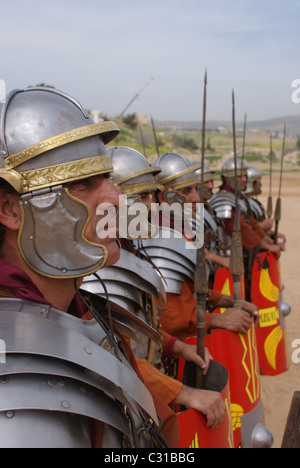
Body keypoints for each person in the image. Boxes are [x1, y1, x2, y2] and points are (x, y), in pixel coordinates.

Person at [0, 87, 178, 448]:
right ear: (11, 210)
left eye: (107, 178)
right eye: (83, 183)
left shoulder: (85, 313)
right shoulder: (10, 372)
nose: (115, 197)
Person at [82, 146, 226, 430]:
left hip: (151, 385)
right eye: (144, 196)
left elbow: (136, 327)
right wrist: (183, 392)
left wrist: (177, 346)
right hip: (127, 403)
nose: (152, 206)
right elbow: (111, 356)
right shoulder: (99, 270)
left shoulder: (130, 251)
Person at [139, 152, 256, 344]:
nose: (196, 198)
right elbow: (171, 318)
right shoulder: (161, 243)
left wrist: (228, 301)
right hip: (177, 352)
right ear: (162, 197)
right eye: (186, 191)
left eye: (195, 189)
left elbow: (188, 290)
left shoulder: (180, 231)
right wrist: (219, 319)